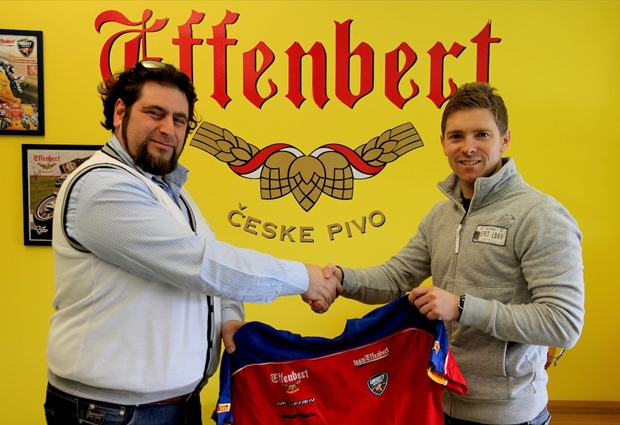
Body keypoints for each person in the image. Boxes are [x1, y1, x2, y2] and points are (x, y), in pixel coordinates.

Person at [44, 60, 340, 425]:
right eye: (155, 113)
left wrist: (229, 320)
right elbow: (201, 264)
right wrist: (305, 278)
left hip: (176, 405)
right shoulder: (101, 186)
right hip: (111, 413)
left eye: (180, 119)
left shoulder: (171, 192)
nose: (168, 129)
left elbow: (213, 277)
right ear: (120, 112)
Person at [324, 82, 585, 425]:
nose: (468, 147)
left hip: (509, 417)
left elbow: (563, 324)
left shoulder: (540, 216)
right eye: (456, 136)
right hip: (440, 403)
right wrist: (339, 279)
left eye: (482, 135)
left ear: (505, 139)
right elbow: (394, 277)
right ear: (443, 142)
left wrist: (462, 307)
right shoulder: (440, 216)